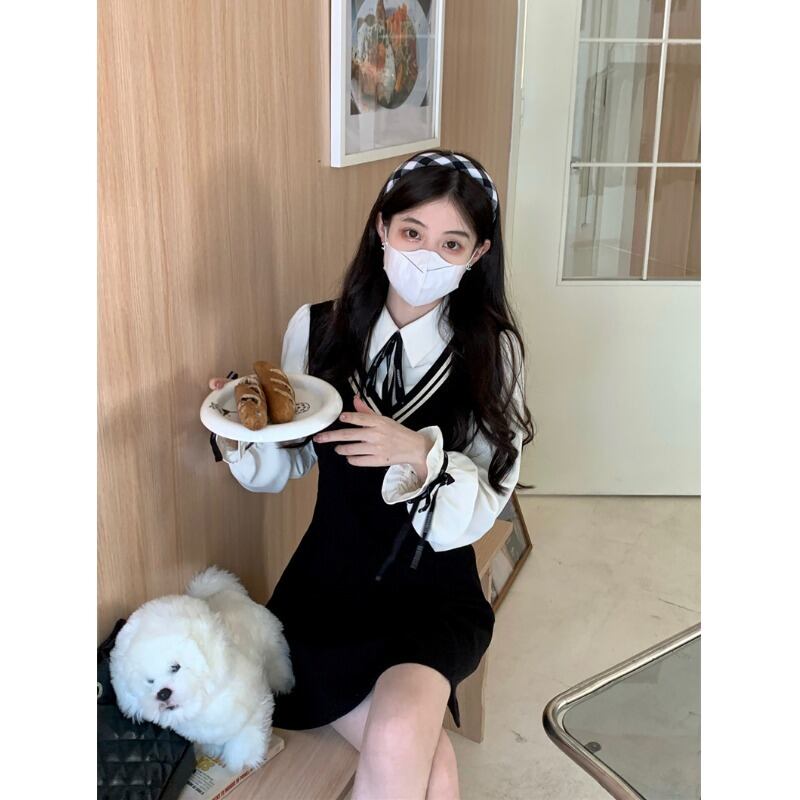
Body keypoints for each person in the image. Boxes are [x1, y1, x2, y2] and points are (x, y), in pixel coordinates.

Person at [208, 149, 534, 799]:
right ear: (382, 227)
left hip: (432, 594)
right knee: (432, 767)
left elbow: (490, 494)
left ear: (477, 254)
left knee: (398, 736)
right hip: (325, 591)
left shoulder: (490, 350)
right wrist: (240, 431)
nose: (426, 256)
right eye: (412, 232)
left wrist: (418, 454)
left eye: (451, 243)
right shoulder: (317, 329)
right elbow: (290, 456)